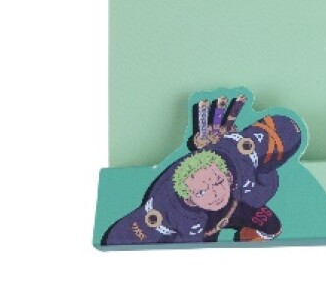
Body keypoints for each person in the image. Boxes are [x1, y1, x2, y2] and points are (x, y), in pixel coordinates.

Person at [100, 98, 302, 245]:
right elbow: (119, 239)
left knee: (271, 226)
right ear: (189, 195)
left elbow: (261, 192)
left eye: (218, 182)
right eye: (202, 191)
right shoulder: (166, 210)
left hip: (230, 206)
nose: (214, 192)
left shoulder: (244, 164)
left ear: (227, 177)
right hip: (192, 229)